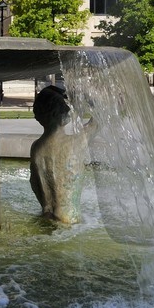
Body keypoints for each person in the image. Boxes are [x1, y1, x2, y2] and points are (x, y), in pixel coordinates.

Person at [29, 85, 92, 225]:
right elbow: (99, 120)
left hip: (46, 216)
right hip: (68, 218)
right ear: (62, 113)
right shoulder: (75, 142)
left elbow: (34, 183)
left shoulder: (36, 147)